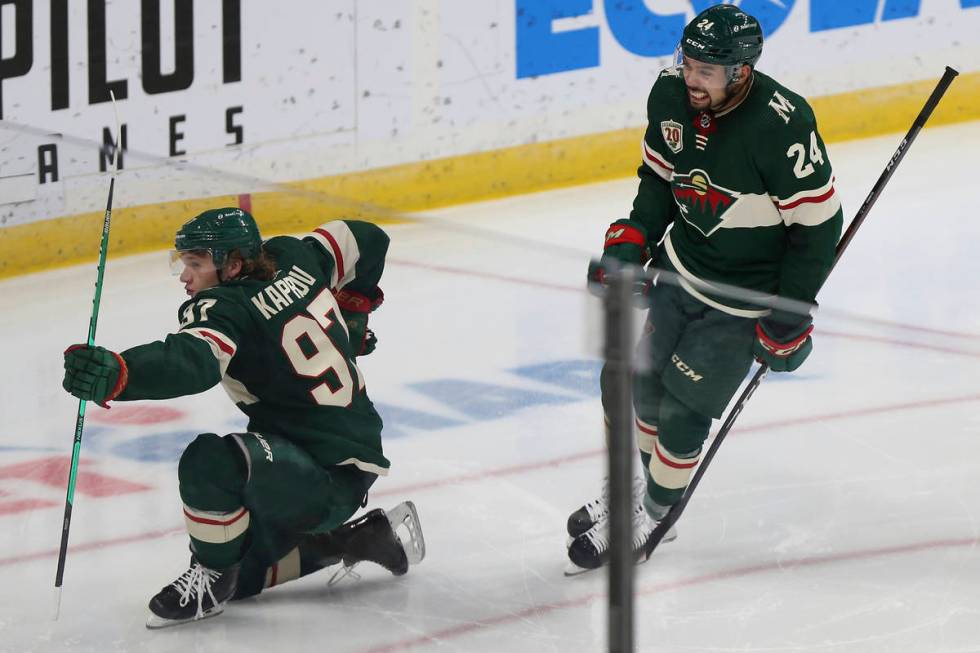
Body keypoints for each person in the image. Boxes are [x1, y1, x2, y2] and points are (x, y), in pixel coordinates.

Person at [565, 4, 843, 573]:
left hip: (742, 302)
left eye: (705, 71)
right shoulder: (669, 96)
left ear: (740, 72)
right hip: (676, 271)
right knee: (631, 384)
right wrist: (634, 235)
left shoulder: (781, 125)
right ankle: (637, 491)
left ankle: (657, 513)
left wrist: (790, 312)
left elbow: (818, 229)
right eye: (687, 63)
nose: (691, 77)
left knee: (684, 411)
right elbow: (660, 180)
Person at [62, 208, 425, 627]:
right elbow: (365, 237)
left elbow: (192, 360)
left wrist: (120, 374)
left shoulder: (225, 308)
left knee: (211, 462)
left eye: (195, 264)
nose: (185, 277)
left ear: (232, 265)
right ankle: (357, 539)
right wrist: (354, 310)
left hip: (324, 475)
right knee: (246, 575)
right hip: (334, 454)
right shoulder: (294, 256)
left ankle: (211, 581)